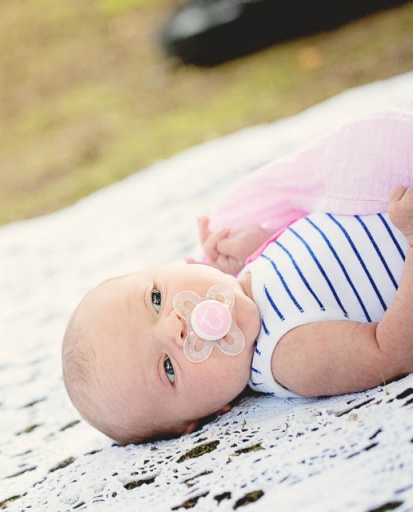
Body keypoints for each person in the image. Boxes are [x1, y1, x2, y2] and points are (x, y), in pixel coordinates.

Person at [62, 103, 413, 445]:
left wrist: (257, 246)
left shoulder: (251, 275)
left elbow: (318, 247)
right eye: (168, 367)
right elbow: (391, 351)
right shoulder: (286, 355)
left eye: (155, 299)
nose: (174, 326)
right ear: (213, 412)